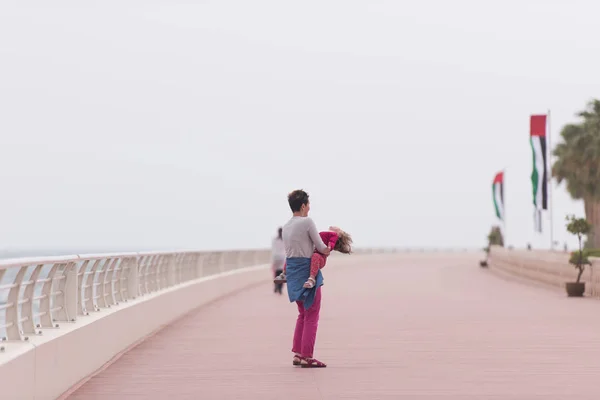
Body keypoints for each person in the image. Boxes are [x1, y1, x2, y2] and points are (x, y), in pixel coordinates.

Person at [281, 189, 329, 368]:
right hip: (308, 272)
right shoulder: (307, 222)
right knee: (312, 314)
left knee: (302, 313)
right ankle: (307, 356)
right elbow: (320, 246)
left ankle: (298, 353)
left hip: (293, 272)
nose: (309, 208)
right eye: (308, 205)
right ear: (302, 206)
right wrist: (330, 247)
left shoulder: (286, 226)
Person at [274, 226, 353, 288]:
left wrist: (329, 248)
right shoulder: (323, 234)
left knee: (315, 256)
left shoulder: (334, 235)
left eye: (338, 228)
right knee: (293, 253)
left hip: (320, 258)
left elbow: (332, 243)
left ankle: (312, 279)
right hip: (312, 254)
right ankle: (284, 273)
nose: (334, 226)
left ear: (338, 234)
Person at [271, 227, 286, 295]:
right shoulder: (285, 240)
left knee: (276, 273)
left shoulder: (274, 240)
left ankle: (276, 285)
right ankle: (280, 288)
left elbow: (273, 249)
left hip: (275, 257)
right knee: (282, 273)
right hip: (282, 258)